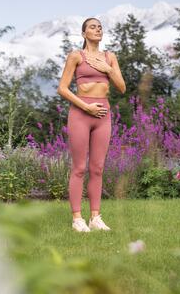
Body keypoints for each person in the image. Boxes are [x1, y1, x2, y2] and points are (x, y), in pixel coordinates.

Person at [57, 17, 126, 232]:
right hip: (81, 113)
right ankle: (77, 218)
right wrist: (86, 107)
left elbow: (122, 87)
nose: (97, 30)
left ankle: (95, 218)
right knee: (79, 168)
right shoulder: (76, 56)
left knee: (97, 168)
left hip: (103, 114)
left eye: (100, 27)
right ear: (84, 33)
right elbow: (63, 88)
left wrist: (108, 68)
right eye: (92, 27)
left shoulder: (110, 57)